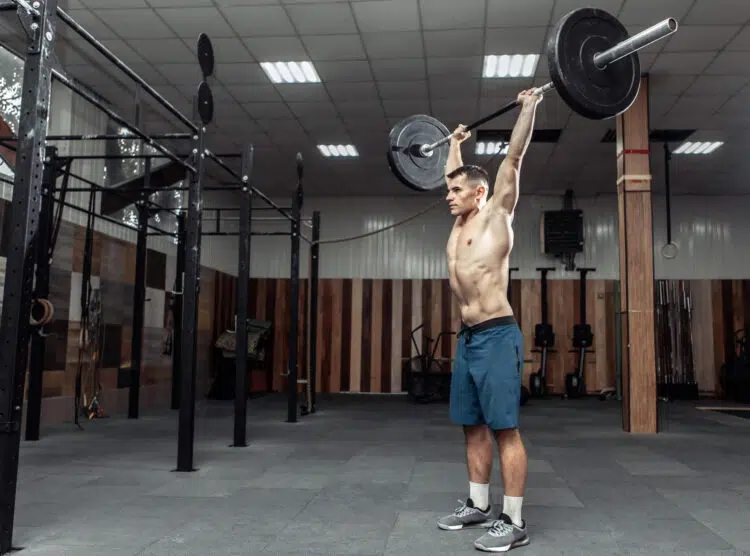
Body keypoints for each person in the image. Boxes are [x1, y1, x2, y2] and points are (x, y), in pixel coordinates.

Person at [437, 89, 542, 552]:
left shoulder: (496, 214)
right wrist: (455, 142)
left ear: (480, 193)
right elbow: (452, 171)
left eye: (456, 190)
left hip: (498, 336)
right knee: (472, 425)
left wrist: (528, 109)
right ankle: (478, 504)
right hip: (468, 338)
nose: (448, 195)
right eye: (448, 189)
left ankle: (513, 520)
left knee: (504, 429)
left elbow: (514, 158)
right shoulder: (458, 225)